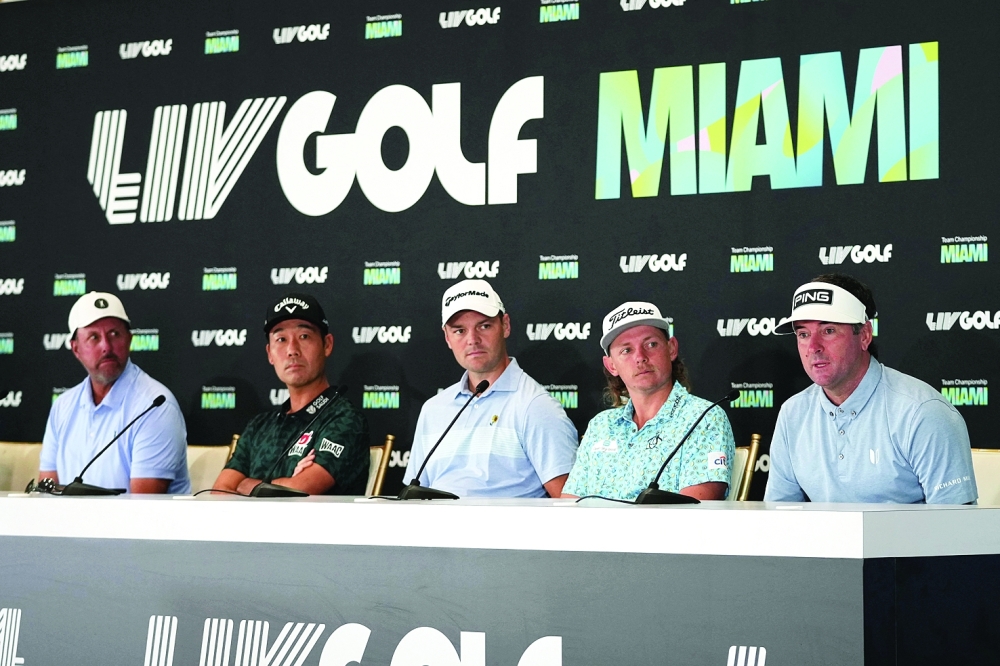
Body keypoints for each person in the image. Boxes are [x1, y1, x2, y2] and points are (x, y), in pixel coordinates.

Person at [764, 274, 977, 504]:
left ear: (864, 335)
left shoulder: (922, 413)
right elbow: (779, 519)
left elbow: (957, 527)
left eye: (828, 331)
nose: (813, 347)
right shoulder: (792, 414)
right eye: (803, 334)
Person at [403, 279, 578, 497]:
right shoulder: (433, 409)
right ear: (447, 337)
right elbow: (414, 495)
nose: (472, 340)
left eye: (484, 326)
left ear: (505, 325)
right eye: (459, 331)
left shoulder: (535, 406)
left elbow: (570, 503)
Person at [563, 302, 735, 501]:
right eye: (626, 350)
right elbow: (569, 505)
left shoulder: (704, 418)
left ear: (671, 349)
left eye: (651, 344)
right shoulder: (600, 426)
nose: (640, 357)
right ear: (611, 365)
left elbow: (695, 515)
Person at [213, 293, 369, 495]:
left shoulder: (344, 419)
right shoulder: (259, 427)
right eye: (281, 339)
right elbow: (220, 491)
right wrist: (282, 484)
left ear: (327, 344)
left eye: (304, 336)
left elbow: (301, 488)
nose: (292, 350)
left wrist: (244, 485)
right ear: (270, 353)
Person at [40, 292, 190, 493]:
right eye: (94, 337)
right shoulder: (63, 406)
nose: (106, 346)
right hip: (70, 523)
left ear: (129, 339)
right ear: (76, 349)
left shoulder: (155, 405)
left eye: (114, 334)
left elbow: (143, 508)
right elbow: (46, 491)